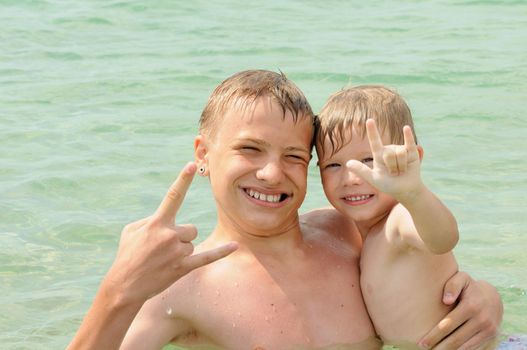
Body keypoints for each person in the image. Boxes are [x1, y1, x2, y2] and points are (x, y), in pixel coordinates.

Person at [68, 70, 502, 350]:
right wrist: (117, 291)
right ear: (204, 153)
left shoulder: (345, 233)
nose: (273, 174)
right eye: (250, 149)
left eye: (295, 156)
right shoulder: (180, 288)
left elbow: (428, 257)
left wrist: (484, 299)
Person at [315, 85, 498, 349]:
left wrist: (414, 193)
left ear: (413, 158)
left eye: (369, 160)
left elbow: (443, 239)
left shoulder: (400, 220)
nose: (351, 178)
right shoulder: (359, 232)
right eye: (333, 165)